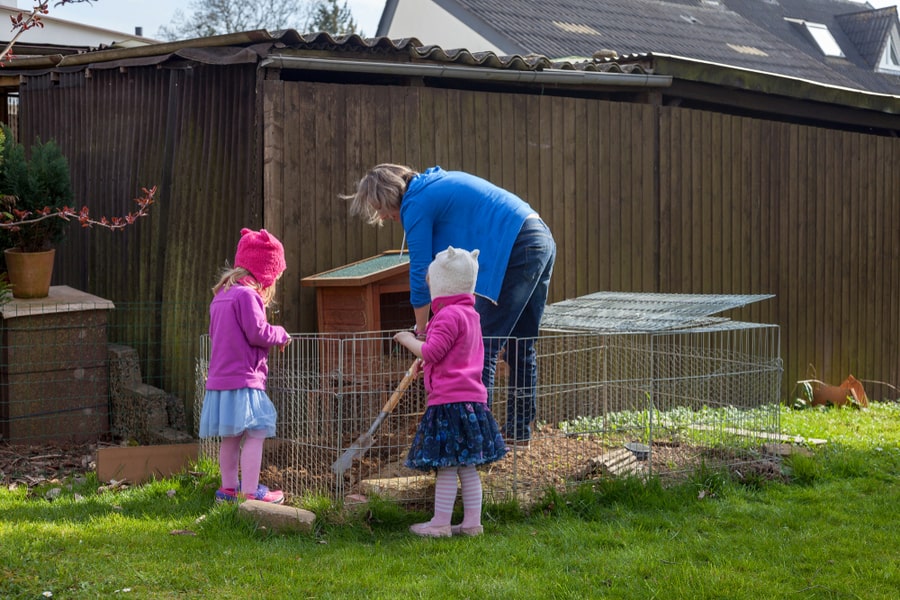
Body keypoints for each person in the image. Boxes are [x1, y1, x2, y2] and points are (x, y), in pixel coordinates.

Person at [347, 164, 556, 444]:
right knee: (520, 342)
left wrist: (422, 335)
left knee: (483, 345)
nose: (384, 216)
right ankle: (518, 433)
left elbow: (422, 273)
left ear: (388, 195)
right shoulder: (431, 187)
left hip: (518, 245)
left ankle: (474, 441)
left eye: (380, 208)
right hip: (538, 236)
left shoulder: (416, 203)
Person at [393, 246, 508, 537]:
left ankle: (440, 523)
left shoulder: (447, 316)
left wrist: (408, 339)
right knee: (467, 465)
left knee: (446, 465)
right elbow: (454, 355)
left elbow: (432, 352)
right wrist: (428, 366)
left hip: (449, 403)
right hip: (471, 402)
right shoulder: (471, 316)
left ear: (443, 287)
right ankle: (472, 524)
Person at [199, 228, 291, 504]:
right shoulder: (247, 297)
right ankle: (250, 493)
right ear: (264, 271)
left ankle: (228, 490)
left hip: (220, 379)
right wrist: (281, 333)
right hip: (244, 378)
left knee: (231, 435)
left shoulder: (222, 295)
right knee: (256, 432)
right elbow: (258, 333)